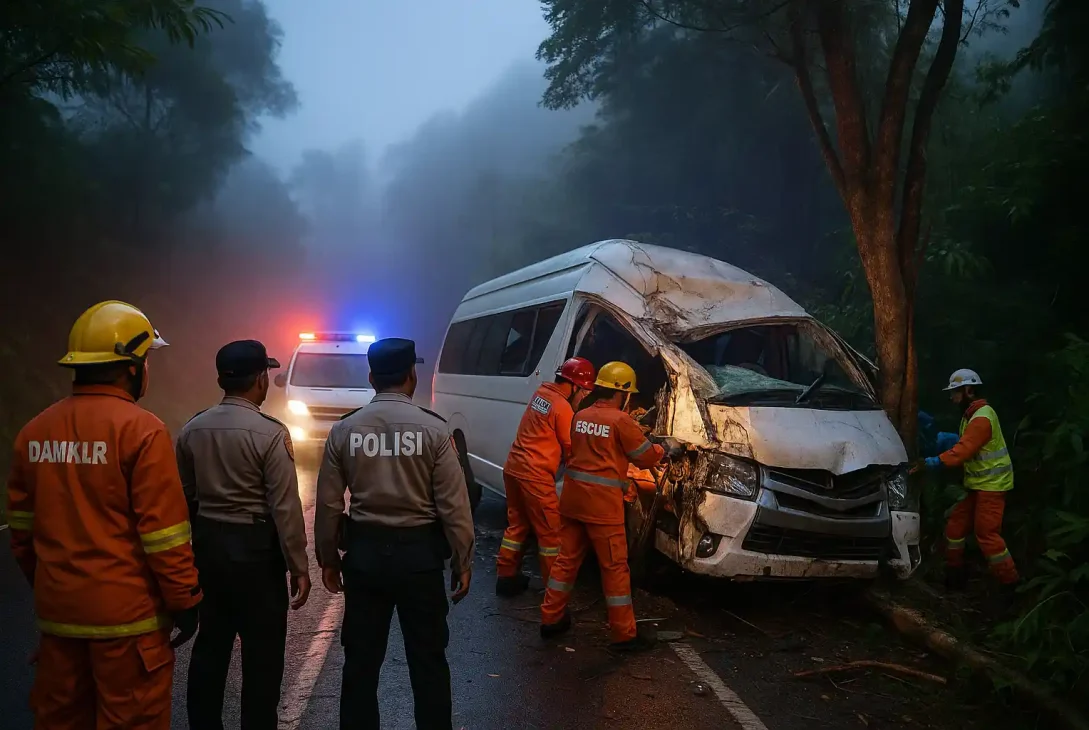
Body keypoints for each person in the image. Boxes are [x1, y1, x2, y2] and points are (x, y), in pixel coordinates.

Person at [5, 300, 201, 729]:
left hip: (61, 624)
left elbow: (22, 536)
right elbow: (164, 536)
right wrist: (185, 601)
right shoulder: (141, 431)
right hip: (128, 629)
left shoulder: (33, 432)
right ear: (131, 366)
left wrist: (55, 589)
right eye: (147, 359)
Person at [313, 337, 475, 730]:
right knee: (429, 663)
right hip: (419, 560)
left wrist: (328, 560)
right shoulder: (435, 432)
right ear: (411, 376)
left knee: (361, 666)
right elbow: (454, 506)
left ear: (371, 377)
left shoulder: (344, 430)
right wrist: (462, 559)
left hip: (365, 560)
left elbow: (330, 505)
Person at [176, 339, 311, 730]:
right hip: (256, 556)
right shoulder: (270, 434)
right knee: (263, 654)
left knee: (210, 647)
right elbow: (285, 507)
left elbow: (184, 496)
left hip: (209, 552)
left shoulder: (192, 429)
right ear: (260, 379)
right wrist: (298, 566)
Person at [539, 361, 681, 652]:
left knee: (566, 561)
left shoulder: (580, 416)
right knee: (615, 568)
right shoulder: (621, 421)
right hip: (602, 508)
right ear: (623, 394)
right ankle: (624, 635)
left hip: (573, 502)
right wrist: (665, 449)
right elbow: (643, 457)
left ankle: (550, 619)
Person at [496, 357, 596, 596]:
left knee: (517, 526)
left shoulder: (541, 394)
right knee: (551, 536)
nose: (584, 398)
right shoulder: (562, 407)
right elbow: (572, 448)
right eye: (583, 392)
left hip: (514, 468)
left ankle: (506, 577)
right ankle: (555, 596)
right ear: (574, 386)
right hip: (535, 475)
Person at [916, 369, 1019, 595]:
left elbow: (963, 451)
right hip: (977, 486)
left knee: (987, 535)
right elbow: (965, 445)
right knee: (956, 526)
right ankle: (955, 576)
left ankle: (1009, 586)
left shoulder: (982, 417)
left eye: (955, 392)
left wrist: (932, 462)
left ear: (969, 391)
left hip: (992, 487)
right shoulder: (971, 415)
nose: (952, 398)